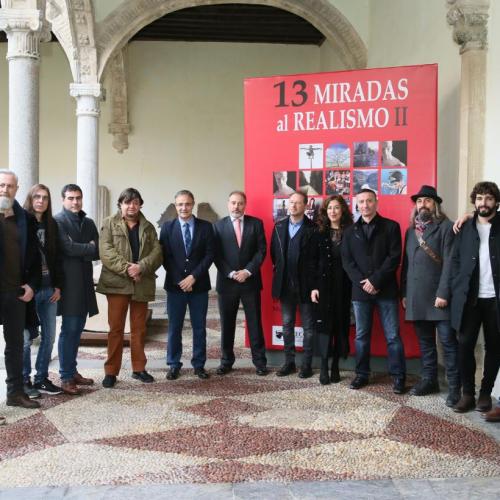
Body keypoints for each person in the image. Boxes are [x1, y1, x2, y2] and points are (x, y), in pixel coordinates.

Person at [341, 188, 406, 393]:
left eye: (369, 201)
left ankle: (398, 377)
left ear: (376, 203)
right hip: (360, 292)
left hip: (385, 290)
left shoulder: (391, 227)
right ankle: (361, 374)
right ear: (357, 205)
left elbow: (394, 258)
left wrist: (375, 281)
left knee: (393, 336)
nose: (365, 205)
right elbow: (347, 261)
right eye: (361, 202)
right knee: (361, 335)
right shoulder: (349, 231)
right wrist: (364, 282)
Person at [401, 185, 460, 407]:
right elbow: (406, 265)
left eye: (427, 200)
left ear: (435, 204)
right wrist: (404, 293)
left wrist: (443, 293)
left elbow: (451, 264)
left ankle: (455, 388)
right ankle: (429, 381)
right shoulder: (410, 231)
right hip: (416, 297)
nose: (422, 204)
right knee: (425, 344)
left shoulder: (447, 227)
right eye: (419, 201)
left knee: (447, 343)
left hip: (439, 298)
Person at [97, 188, 162, 388]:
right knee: (115, 329)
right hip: (117, 284)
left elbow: (157, 253)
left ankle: (139, 369)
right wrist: (128, 269)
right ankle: (111, 372)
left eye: (135, 202)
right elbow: (106, 252)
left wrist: (141, 267)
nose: (131, 206)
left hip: (141, 283)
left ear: (140, 204)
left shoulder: (148, 227)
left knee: (139, 329)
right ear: (121, 204)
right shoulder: (109, 223)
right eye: (127, 202)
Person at [450, 181, 500, 414]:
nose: (484, 203)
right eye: (479, 198)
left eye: (489, 198)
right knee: (464, 345)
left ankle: (485, 393)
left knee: (494, 347)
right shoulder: (465, 228)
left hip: (495, 300)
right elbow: (456, 261)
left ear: (496, 203)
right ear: (474, 202)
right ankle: (467, 393)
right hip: (469, 298)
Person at [160, 190, 215, 380]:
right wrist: (181, 281)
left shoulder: (206, 227)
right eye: (180, 204)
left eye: (187, 204)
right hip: (175, 287)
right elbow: (165, 257)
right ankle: (174, 364)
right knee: (175, 327)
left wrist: (193, 277)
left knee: (199, 327)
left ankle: (199, 365)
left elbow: (209, 255)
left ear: (193, 204)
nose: (184, 208)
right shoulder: (167, 228)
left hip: (199, 286)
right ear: (175, 206)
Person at [213, 191, 268, 376]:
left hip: (250, 281)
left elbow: (261, 251)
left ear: (245, 204)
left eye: (240, 203)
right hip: (227, 283)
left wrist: (247, 271)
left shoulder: (256, 224)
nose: (236, 206)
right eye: (233, 203)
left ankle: (260, 363)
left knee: (254, 323)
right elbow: (216, 255)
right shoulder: (218, 226)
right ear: (228, 204)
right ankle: (226, 361)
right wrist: (230, 273)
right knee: (227, 324)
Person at [0, 169, 41, 414]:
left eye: (10, 186)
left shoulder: (25, 219)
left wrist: (32, 286)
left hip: (15, 294)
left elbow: (35, 258)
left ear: (17, 189)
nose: (5, 189)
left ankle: (15, 393)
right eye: (1, 185)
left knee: (15, 345)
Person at [54, 184, 99, 395]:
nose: (75, 202)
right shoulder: (58, 221)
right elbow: (66, 248)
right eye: (71, 198)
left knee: (78, 330)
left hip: (85, 283)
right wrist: (86, 247)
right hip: (69, 284)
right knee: (69, 330)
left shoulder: (88, 222)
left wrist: (83, 248)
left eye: (78, 198)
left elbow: (97, 250)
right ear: (63, 199)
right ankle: (65, 376)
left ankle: (72, 372)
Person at [22, 184, 64, 398]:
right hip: (28, 291)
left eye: (45, 198)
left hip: (49, 289)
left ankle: (41, 379)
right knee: (26, 339)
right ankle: (24, 380)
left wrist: (58, 285)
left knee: (49, 337)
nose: (41, 201)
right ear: (30, 199)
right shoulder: (21, 223)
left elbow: (57, 258)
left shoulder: (52, 225)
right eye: (37, 197)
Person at [271, 192, 315, 378]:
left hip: (306, 286)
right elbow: (274, 254)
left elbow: (316, 259)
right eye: (291, 202)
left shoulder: (313, 228)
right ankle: (289, 362)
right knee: (287, 325)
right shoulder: (279, 226)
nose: (294, 206)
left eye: (298, 203)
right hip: (284, 285)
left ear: (306, 206)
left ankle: (306, 365)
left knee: (308, 328)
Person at [309, 195, 352, 385]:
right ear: (325, 212)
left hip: (345, 286)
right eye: (329, 208)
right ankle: (324, 366)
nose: (333, 211)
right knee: (325, 327)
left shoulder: (351, 232)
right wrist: (313, 287)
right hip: (324, 287)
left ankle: (336, 365)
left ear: (342, 211)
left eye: (336, 208)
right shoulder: (318, 233)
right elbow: (311, 263)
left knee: (340, 327)